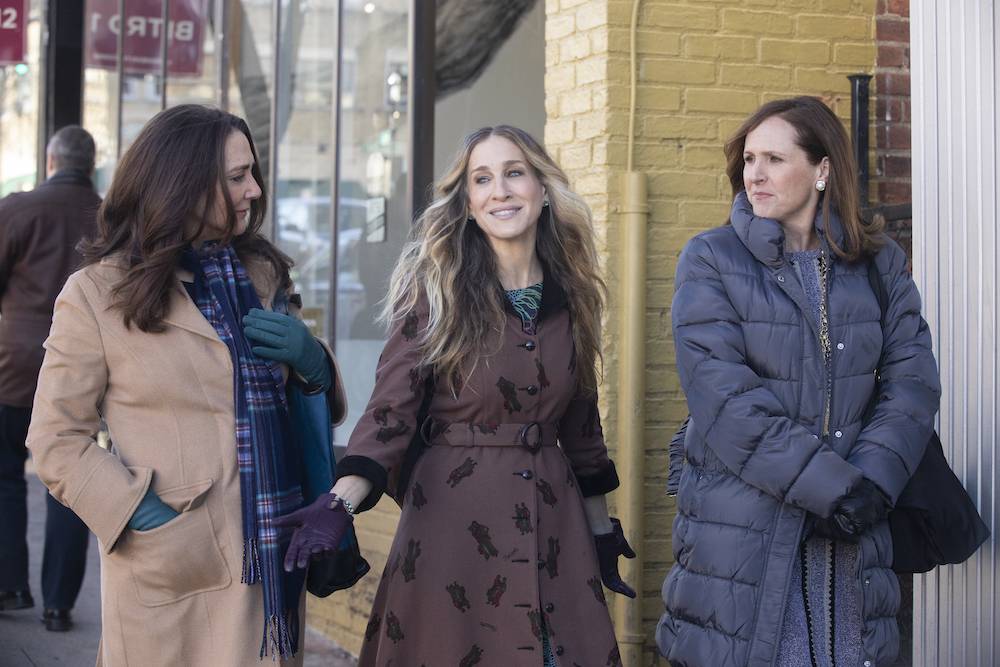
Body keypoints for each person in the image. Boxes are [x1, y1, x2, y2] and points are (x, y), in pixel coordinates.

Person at [275, 125, 635, 666]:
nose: (501, 190)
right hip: (453, 525)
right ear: (467, 202)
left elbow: (582, 432)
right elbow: (390, 411)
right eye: (482, 179)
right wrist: (340, 503)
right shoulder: (436, 292)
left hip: (554, 525)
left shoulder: (573, 295)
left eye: (514, 173)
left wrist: (602, 532)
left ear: (541, 188)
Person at [26, 105, 348, 665]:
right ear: (184, 185)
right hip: (172, 567)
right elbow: (55, 439)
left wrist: (315, 363)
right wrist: (143, 517)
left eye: (253, 172)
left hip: (272, 560)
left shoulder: (263, 276)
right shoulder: (95, 295)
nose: (254, 189)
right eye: (236, 176)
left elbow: (307, 397)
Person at [656, 97, 941, 667]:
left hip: (856, 533)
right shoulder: (711, 259)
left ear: (822, 169)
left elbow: (911, 386)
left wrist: (870, 487)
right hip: (745, 532)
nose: (754, 174)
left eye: (774, 159)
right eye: (749, 159)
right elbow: (725, 398)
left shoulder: (879, 264)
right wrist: (831, 488)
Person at [0, 126, 99, 632]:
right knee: (73, 478)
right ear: (92, 162)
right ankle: (59, 606)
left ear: (51, 159)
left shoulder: (16, 209)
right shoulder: (108, 216)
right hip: (87, 370)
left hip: (15, 366)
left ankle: (11, 586)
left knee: (5, 474)